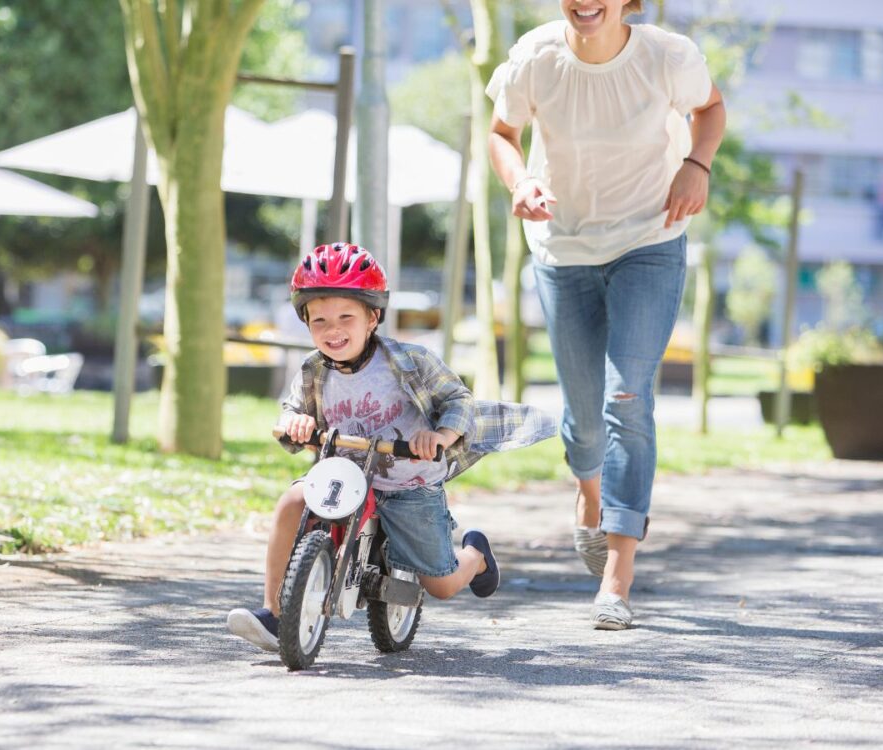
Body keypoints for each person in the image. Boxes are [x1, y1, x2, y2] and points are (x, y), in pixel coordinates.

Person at [486, 0, 726, 630]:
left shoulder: (666, 57)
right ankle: (588, 492)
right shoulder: (536, 59)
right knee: (585, 415)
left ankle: (617, 579)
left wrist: (696, 165)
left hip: (650, 239)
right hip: (563, 249)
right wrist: (519, 182)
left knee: (627, 398)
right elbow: (500, 134)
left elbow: (711, 108)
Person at [227, 242, 556, 652]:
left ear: (373, 316)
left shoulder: (411, 362)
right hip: (344, 475)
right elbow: (293, 410)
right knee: (291, 502)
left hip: (409, 482)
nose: (333, 330)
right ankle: (275, 614)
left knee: (442, 584)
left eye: (346, 317)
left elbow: (458, 401)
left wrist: (438, 437)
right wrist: (296, 422)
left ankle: (477, 555)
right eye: (320, 320)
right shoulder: (313, 369)